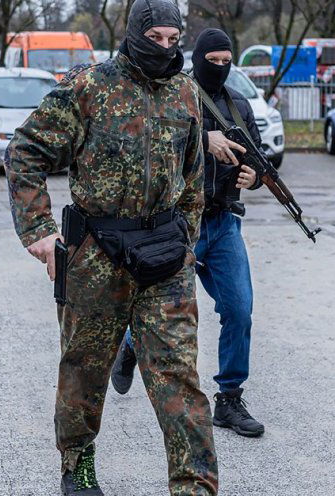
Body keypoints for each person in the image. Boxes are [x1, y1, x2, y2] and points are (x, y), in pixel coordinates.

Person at [3, 1, 218, 494]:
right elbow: (25, 151)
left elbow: (192, 178)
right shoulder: (90, 87)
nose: (164, 48)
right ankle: (76, 467)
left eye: (172, 39)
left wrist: (185, 240)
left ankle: (195, 487)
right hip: (96, 255)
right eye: (155, 38)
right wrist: (37, 230)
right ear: (135, 32)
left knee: (179, 380)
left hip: (164, 257)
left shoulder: (186, 91)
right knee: (84, 370)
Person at [111, 28, 266, 439]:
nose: (219, 68)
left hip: (224, 224)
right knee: (166, 312)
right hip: (180, 226)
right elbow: (152, 141)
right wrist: (204, 137)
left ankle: (229, 398)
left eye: (226, 61)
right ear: (196, 59)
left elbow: (258, 158)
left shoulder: (239, 105)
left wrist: (254, 177)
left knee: (239, 309)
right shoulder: (179, 96)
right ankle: (129, 345)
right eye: (211, 61)